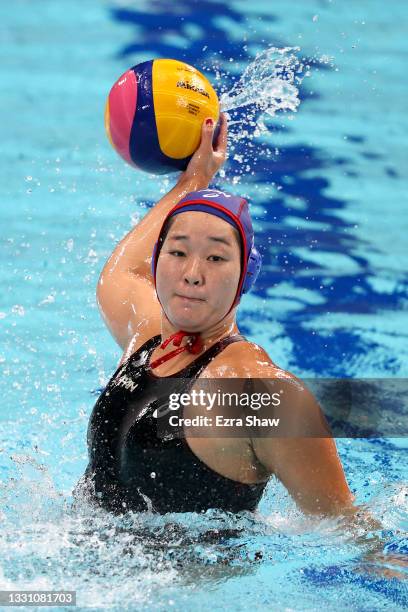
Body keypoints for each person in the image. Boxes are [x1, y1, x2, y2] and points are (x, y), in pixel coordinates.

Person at [75, 113, 356, 517]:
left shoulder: (261, 392)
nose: (191, 274)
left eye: (216, 257)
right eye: (177, 252)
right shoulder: (147, 336)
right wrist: (193, 181)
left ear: (246, 276)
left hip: (190, 580)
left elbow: (345, 529)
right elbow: (122, 270)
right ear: (157, 264)